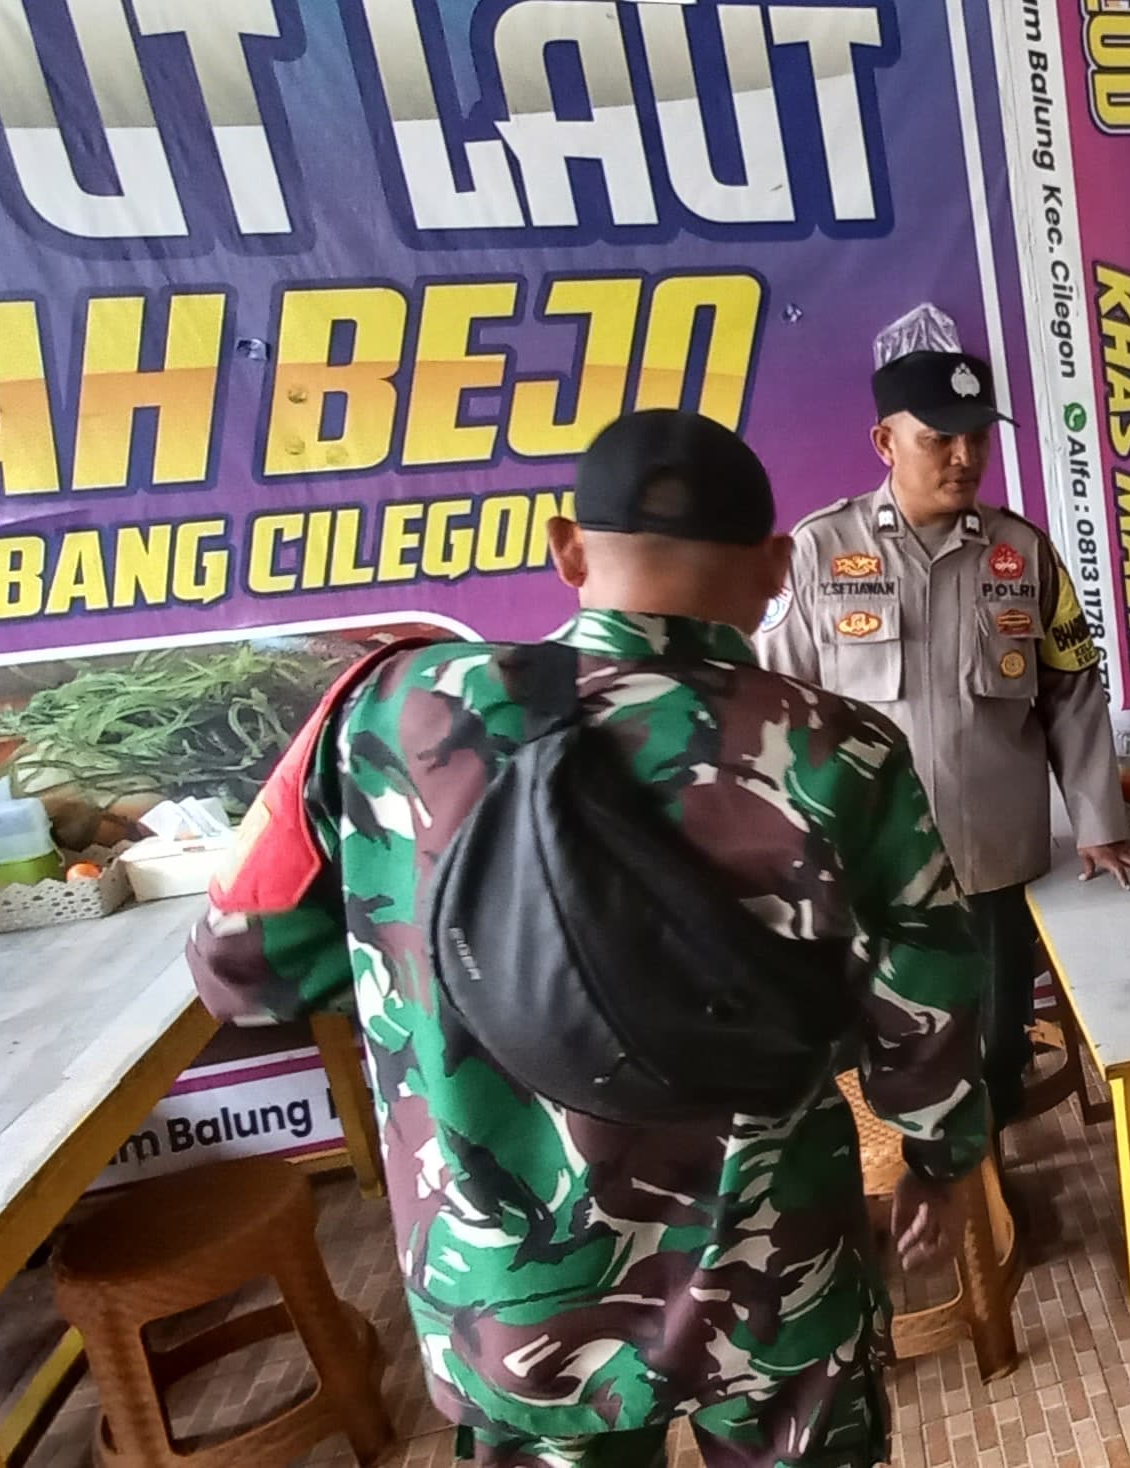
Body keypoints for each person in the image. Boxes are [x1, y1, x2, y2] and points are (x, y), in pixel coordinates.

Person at [187, 410, 990, 1468]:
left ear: (567, 549)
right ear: (776, 568)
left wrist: (445, 979)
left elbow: (240, 968)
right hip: (768, 1271)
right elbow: (926, 1004)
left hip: (513, 1300)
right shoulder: (839, 750)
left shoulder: (386, 713)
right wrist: (940, 1159)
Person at [759, 349, 1130, 1128]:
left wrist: (1099, 823)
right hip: (871, 866)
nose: (965, 456)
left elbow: (1072, 690)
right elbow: (776, 707)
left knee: (998, 1042)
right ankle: (917, 1181)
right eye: (939, 438)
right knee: (884, 1046)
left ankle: (994, 1177)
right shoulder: (819, 551)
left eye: (978, 436)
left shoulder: (1022, 552)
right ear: (886, 442)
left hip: (992, 859)